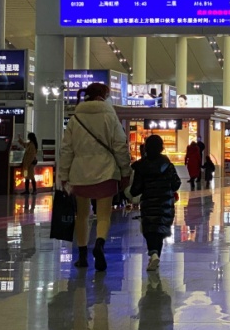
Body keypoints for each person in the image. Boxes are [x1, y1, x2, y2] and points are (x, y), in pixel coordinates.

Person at [60, 82, 132, 271]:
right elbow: (120, 146)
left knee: (82, 215)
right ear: (105, 96)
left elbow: (66, 149)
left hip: (80, 173)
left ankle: (82, 256)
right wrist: (125, 171)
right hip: (106, 172)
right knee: (103, 216)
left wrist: (63, 175)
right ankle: (99, 244)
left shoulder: (75, 118)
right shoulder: (110, 116)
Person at [129, 135, 181, 272]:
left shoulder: (141, 166)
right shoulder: (167, 164)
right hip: (165, 204)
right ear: (161, 147)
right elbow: (176, 184)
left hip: (149, 204)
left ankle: (153, 254)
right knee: (160, 231)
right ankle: (155, 256)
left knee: (150, 230)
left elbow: (135, 189)